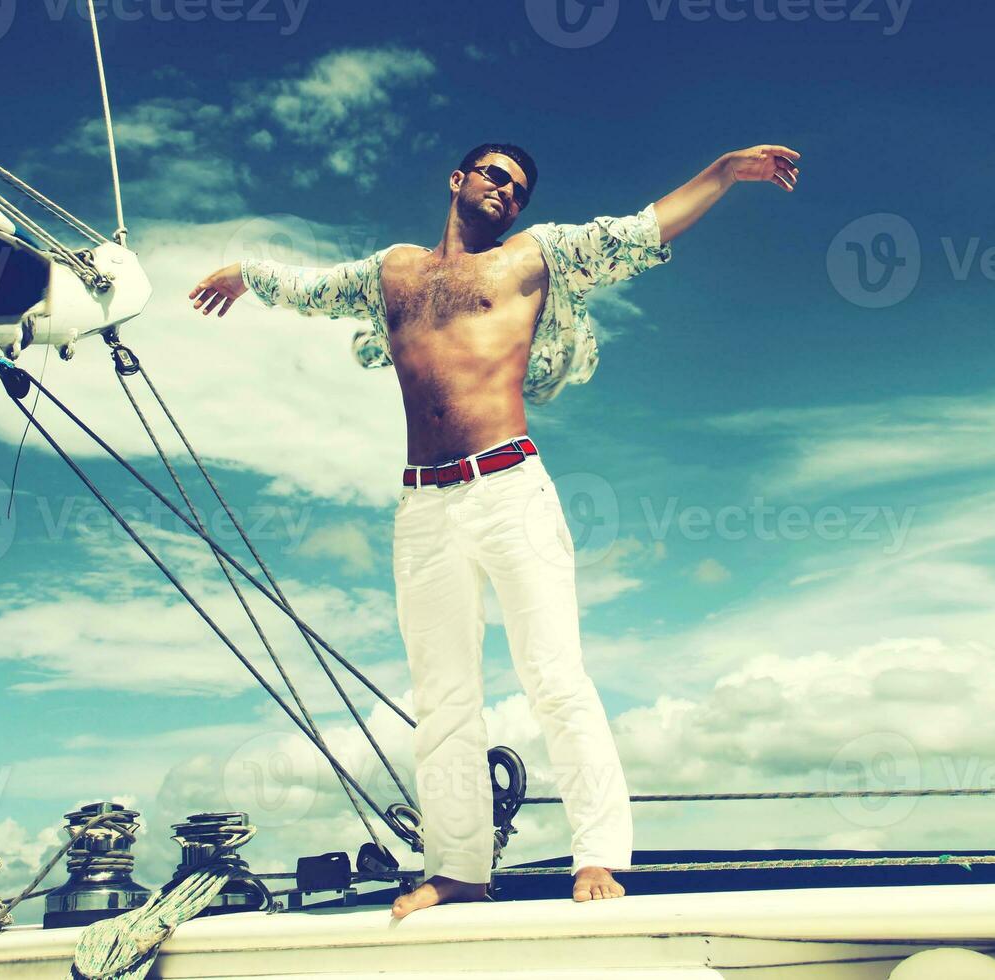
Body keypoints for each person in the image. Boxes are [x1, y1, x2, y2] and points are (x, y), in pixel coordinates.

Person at [187, 142, 800, 916]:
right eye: (495, 177)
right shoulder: (392, 273)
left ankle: (599, 855)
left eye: (518, 190)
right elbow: (313, 289)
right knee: (443, 696)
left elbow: (642, 231)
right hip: (423, 506)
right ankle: (457, 867)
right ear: (458, 180)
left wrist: (723, 172)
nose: (507, 193)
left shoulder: (534, 259)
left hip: (510, 488)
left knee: (555, 676)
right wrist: (247, 275)